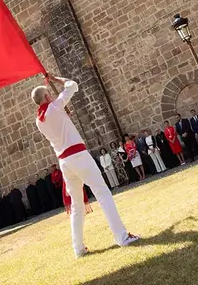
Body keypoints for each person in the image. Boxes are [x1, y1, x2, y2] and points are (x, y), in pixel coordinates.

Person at [32, 75, 139, 257]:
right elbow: (72, 84)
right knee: (102, 193)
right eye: (49, 94)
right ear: (47, 97)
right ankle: (122, 236)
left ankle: (78, 248)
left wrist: (64, 113)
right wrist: (54, 78)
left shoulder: (39, 120)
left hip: (65, 162)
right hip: (78, 155)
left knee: (77, 205)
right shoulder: (54, 107)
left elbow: (59, 121)